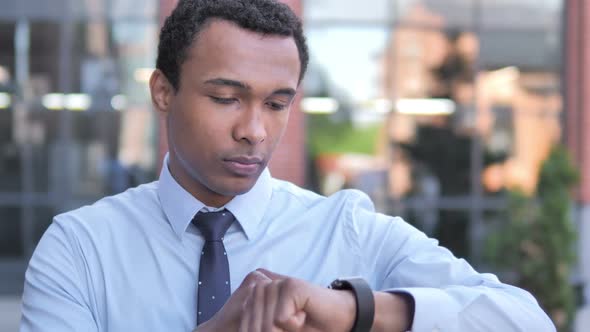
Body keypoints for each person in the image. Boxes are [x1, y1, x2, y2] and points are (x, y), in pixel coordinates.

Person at [20, 0, 555, 331]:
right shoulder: (81, 247)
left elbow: (524, 321)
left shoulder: (346, 229)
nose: (255, 130)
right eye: (227, 98)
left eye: (277, 104)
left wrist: (353, 311)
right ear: (163, 92)